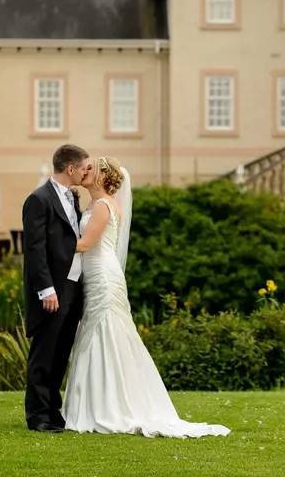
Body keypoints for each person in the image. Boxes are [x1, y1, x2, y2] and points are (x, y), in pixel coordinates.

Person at [63, 156, 230, 438]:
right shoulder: (93, 205)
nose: (85, 170)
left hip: (104, 275)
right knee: (97, 332)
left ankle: (111, 406)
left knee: (107, 333)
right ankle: (96, 403)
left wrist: (48, 242)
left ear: (103, 176)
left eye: (91, 168)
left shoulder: (103, 206)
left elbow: (85, 244)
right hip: (95, 276)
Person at [22, 144, 93, 433]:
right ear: (70, 169)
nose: (87, 172)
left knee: (60, 353)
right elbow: (35, 249)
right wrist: (46, 290)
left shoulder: (72, 197)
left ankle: (52, 412)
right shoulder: (38, 199)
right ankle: (37, 417)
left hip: (72, 287)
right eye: (84, 167)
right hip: (52, 290)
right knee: (44, 353)